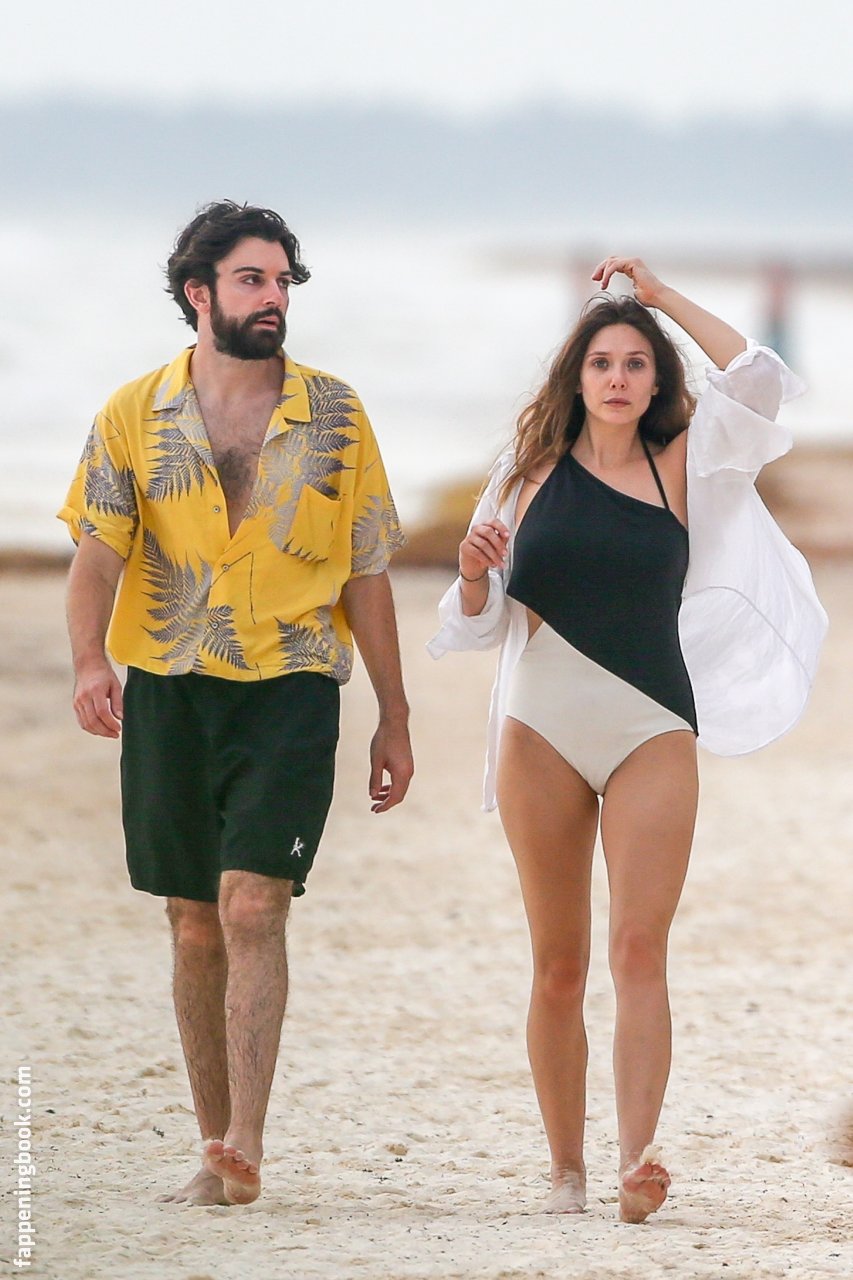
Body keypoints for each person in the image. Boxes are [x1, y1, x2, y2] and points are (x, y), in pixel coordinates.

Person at [428, 257, 826, 1223]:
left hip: (652, 724)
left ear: (656, 382)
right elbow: (473, 625)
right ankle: (564, 1172)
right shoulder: (521, 477)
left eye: (635, 364)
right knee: (557, 964)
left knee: (639, 949)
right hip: (539, 731)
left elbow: (759, 380)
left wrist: (660, 298)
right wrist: (473, 576)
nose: (616, 377)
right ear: (576, 378)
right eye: (601, 362)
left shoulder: (682, 462)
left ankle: (635, 1163)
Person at [59, 200, 414, 1207]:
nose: (272, 297)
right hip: (171, 686)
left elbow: (367, 569)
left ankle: (246, 1139)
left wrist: (393, 715)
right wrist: (89, 662)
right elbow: (97, 553)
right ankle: (213, 1145)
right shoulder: (133, 413)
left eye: (282, 280)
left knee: (254, 901)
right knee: (192, 919)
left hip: (291, 684)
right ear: (198, 292)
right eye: (251, 279)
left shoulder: (335, 414)